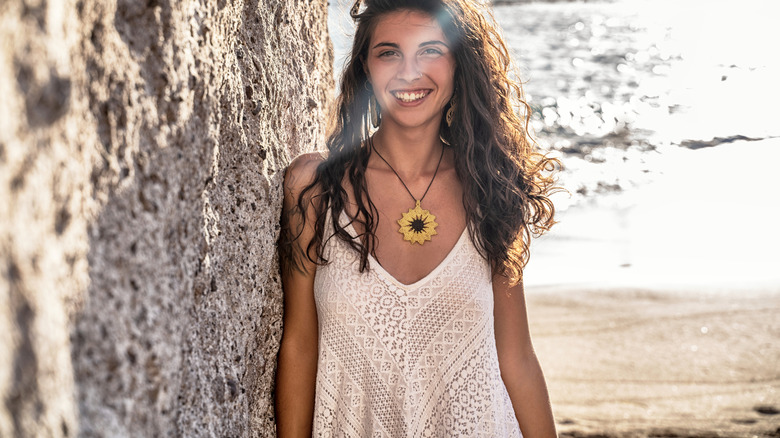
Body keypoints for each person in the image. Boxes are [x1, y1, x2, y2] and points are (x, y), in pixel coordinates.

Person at [276, 0, 558, 436]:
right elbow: (298, 344)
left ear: (459, 65)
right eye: (389, 52)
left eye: (430, 50)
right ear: (364, 68)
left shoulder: (490, 189)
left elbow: (517, 358)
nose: (409, 71)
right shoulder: (313, 188)